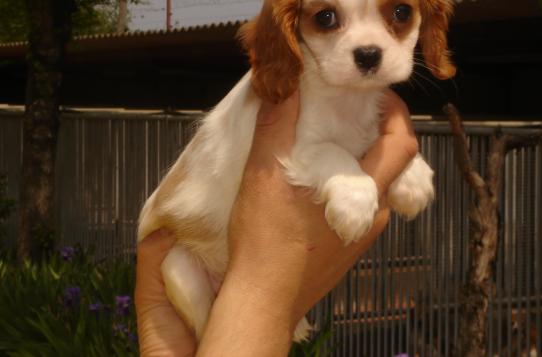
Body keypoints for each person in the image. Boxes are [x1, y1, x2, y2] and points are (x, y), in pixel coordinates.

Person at [135, 90, 419, 356]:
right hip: (191, 252)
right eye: (327, 31)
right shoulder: (284, 93)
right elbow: (304, 152)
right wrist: (269, 300)